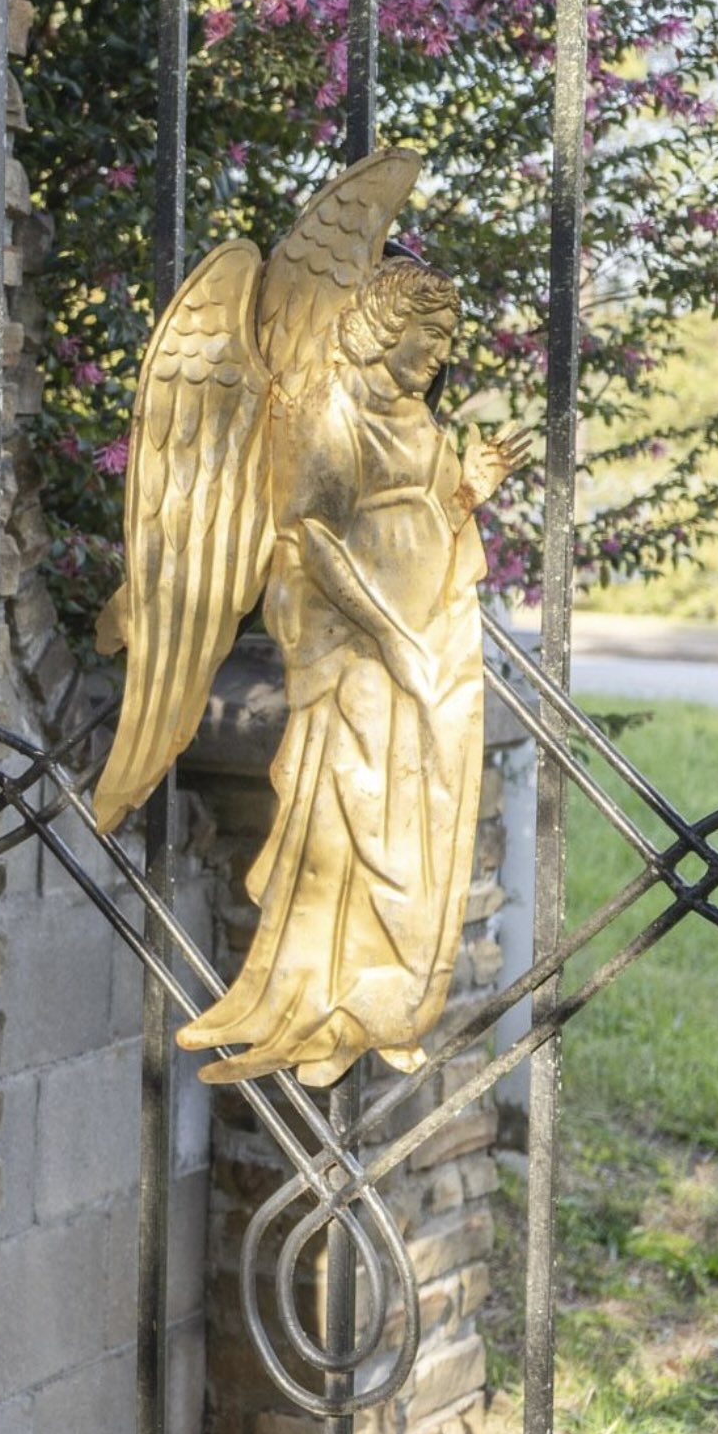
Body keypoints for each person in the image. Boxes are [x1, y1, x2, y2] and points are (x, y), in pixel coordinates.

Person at [172, 261, 530, 1085]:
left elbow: (422, 520)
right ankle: (317, 1006)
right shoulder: (323, 405)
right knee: (352, 822)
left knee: (415, 822)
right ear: (383, 324)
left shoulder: (413, 416)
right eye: (426, 336)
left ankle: (386, 1004)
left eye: (446, 341)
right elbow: (316, 539)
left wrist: (469, 489)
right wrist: (389, 633)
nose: (438, 354)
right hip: (354, 650)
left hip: (424, 642)